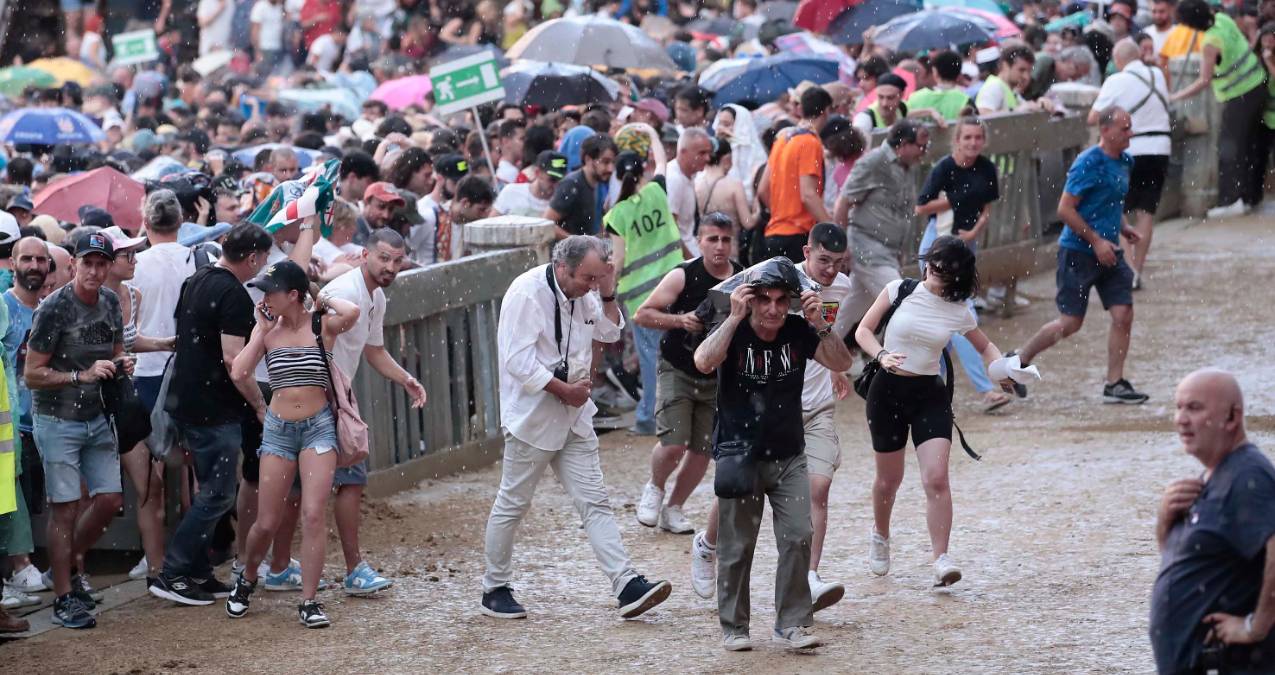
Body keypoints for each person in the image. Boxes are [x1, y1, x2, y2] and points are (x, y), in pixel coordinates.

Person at [480, 235, 671, 621]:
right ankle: (494, 587)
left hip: (575, 415)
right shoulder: (527, 293)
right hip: (534, 416)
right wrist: (562, 389)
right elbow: (517, 361)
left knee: (595, 502)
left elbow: (611, 332)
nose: (591, 285)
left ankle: (626, 584)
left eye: (597, 278)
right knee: (513, 504)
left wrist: (608, 290)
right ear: (562, 267)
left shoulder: (588, 290)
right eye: (588, 278)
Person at [693, 258, 852, 652]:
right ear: (750, 300)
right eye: (764, 300)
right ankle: (735, 627)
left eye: (782, 300)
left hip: (788, 452)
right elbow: (703, 360)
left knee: (799, 535)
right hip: (740, 452)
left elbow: (842, 362)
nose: (773, 310)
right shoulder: (734, 330)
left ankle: (793, 623)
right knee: (737, 546)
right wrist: (733, 319)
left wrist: (821, 324)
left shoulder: (799, 331)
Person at [854, 235, 1011, 588]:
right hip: (887, 392)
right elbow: (863, 331)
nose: (934, 272)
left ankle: (941, 558)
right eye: (933, 264)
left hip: (929, 394)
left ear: (957, 276)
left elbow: (986, 348)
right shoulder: (899, 290)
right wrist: (881, 355)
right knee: (888, 480)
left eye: (944, 269)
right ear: (927, 262)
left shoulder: (959, 311)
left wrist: (1002, 372)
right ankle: (880, 533)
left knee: (936, 479)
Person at [227, 259, 360, 628]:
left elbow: (353, 311)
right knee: (267, 521)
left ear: (293, 295)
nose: (264, 298)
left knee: (314, 514)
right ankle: (248, 576)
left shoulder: (322, 327)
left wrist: (322, 298)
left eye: (271, 291)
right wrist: (259, 332)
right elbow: (239, 372)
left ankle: (309, 600)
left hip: (318, 427)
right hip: (279, 429)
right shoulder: (268, 331)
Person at [148, 224, 273, 607]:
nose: (264, 266)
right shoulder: (233, 294)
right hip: (213, 410)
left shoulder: (198, 279)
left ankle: (198, 570)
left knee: (211, 491)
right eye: (263, 259)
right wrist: (260, 405)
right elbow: (236, 361)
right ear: (252, 258)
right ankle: (173, 571)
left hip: (191, 404)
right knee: (217, 494)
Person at [26, 232, 127, 630]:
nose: (95, 271)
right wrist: (79, 375)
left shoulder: (110, 302)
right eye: (88, 263)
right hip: (57, 419)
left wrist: (123, 364)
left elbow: (117, 350)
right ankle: (64, 594)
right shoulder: (54, 308)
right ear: (73, 265)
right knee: (64, 507)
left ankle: (65, 567)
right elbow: (32, 374)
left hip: (98, 414)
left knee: (110, 499)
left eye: (101, 263)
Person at [1014, 107, 1148, 404]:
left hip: (1110, 251)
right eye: (1124, 129)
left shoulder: (1126, 160)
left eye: (1130, 128)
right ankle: (1019, 360)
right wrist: (1097, 241)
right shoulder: (1087, 163)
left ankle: (1115, 383)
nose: (1130, 134)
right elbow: (1065, 209)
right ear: (1105, 131)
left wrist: (1123, 229)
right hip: (1078, 252)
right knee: (1070, 322)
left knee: (1123, 313)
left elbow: (1112, 201)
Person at [1150, 369, 1275, 673]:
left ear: (1232, 417)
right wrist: (1165, 522)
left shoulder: (1249, 476)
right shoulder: (1212, 477)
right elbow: (1195, 564)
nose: (1180, 418)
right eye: (1178, 407)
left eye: (1194, 408)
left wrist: (1254, 626)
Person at [323, 229, 425, 596]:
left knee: (309, 487)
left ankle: (273, 566)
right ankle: (351, 568)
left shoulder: (375, 296)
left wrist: (406, 379)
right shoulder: (346, 291)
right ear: (365, 255)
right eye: (384, 258)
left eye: (397, 261)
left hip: (333, 394)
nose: (390, 267)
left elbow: (374, 350)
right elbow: (322, 346)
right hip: (325, 395)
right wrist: (335, 400)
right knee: (346, 480)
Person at [633, 214, 740, 540]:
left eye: (725, 239)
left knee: (703, 450)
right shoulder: (683, 275)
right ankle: (655, 486)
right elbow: (642, 315)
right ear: (698, 241)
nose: (719, 247)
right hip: (678, 367)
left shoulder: (742, 277)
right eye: (712, 239)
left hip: (717, 376)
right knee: (674, 441)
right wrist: (681, 321)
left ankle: (674, 507)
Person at [915, 117, 1010, 413]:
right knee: (962, 319)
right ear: (957, 139)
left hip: (967, 245)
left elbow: (987, 207)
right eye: (967, 137)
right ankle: (982, 390)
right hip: (940, 247)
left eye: (977, 138)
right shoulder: (944, 168)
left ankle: (933, 389)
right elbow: (921, 207)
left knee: (947, 322)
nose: (972, 143)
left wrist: (976, 230)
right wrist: (953, 201)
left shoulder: (986, 167)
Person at [101, 226, 176, 586]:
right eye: (127, 255)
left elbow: (131, 342)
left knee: (151, 484)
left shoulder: (134, 293)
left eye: (135, 253)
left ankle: (156, 569)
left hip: (124, 401)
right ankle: (72, 567)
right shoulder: (87, 296)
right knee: (96, 495)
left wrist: (165, 342)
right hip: (90, 402)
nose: (134, 260)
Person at [794, 223, 854, 611]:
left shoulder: (843, 287)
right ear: (806, 252)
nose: (830, 271)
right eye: (823, 261)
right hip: (776, 406)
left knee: (818, 488)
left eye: (837, 263)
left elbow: (831, 332)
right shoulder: (781, 281)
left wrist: (834, 366)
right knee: (741, 494)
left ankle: (810, 577)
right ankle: (708, 543)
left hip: (817, 406)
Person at [604, 131, 674, 438]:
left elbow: (617, 262)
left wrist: (605, 293)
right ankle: (680, 412)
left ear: (618, 178)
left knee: (651, 359)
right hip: (673, 286)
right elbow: (662, 161)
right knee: (678, 353)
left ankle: (650, 418)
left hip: (641, 299)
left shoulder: (616, 215)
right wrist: (649, 134)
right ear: (642, 170)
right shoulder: (658, 192)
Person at [1171, 0, 1269, 219]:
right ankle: (1250, 197)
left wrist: (1176, 95)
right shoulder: (1223, 20)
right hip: (1257, 85)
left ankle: (1231, 200)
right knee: (1250, 147)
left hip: (1240, 95)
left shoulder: (1210, 41)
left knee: (1230, 150)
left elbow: (1204, 80)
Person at [1090, 39, 1171, 290]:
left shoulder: (1116, 81)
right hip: (1160, 148)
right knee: (1146, 210)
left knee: (1120, 208)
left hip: (1130, 149)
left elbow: (1094, 117)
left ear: (1117, 60)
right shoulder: (1157, 74)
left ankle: (1128, 269)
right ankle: (1139, 268)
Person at [836, 120, 932, 327]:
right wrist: (841, 246)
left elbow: (901, 212)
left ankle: (814, 355)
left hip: (887, 250)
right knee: (904, 303)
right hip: (866, 247)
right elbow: (842, 203)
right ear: (904, 144)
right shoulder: (874, 162)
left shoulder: (908, 167)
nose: (924, 152)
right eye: (921, 146)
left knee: (847, 313)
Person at [2, 238, 49, 602]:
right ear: (12, 263)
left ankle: (29, 566)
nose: (34, 265)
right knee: (12, 497)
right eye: (27, 259)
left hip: (46, 420)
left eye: (40, 260)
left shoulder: (52, 309)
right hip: (12, 423)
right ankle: (17, 566)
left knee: (34, 501)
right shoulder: (3, 306)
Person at [758, 86, 835, 263]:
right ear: (826, 111)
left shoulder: (783, 139)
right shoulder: (809, 142)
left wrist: (783, 213)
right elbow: (808, 195)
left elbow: (762, 190)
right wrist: (832, 229)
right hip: (797, 237)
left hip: (773, 234)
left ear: (801, 109)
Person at [545, 135, 618, 240]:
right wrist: (578, 242)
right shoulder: (572, 185)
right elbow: (547, 223)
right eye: (605, 162)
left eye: (613, 163)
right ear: (588, 159)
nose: (610, 168)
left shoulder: (599, 183)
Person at [665, 127, 713, 257]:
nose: (708, 158)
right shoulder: (674, 179)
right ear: (683, 152)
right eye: (702, 153)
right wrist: (690, 262)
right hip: (678, 258)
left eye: (709, 153)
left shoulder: (688, 174)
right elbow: (670, 229)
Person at [492, 151, 566, 218]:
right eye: (552, 180)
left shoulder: (561, 202)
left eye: (560, 182)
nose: (556, 185)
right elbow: (490, 224)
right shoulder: (511, 191)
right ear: (538, 173)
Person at [907, 50, 976, 121]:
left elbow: (901, 116)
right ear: (959, 75)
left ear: (935, 72)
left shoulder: (914, 98)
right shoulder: (965, 100)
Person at [494, 119, 527, 187]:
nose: (526, 143)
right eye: (522, 139)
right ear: (506, 141)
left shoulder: (513, 169)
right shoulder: (508, 173)